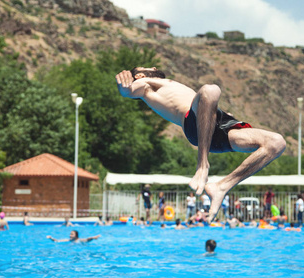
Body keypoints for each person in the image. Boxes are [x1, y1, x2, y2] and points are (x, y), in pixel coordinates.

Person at [116, 68, 286, 223]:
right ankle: (202, 165)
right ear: (139, 74)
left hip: (217, 122)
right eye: (148, 67)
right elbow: (129, 92)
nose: (153, 68)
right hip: (194, 124)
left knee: (276, 143)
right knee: (210, 90)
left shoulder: (164, 83)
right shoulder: (145, 83)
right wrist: (123, 87)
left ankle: (222, 186)